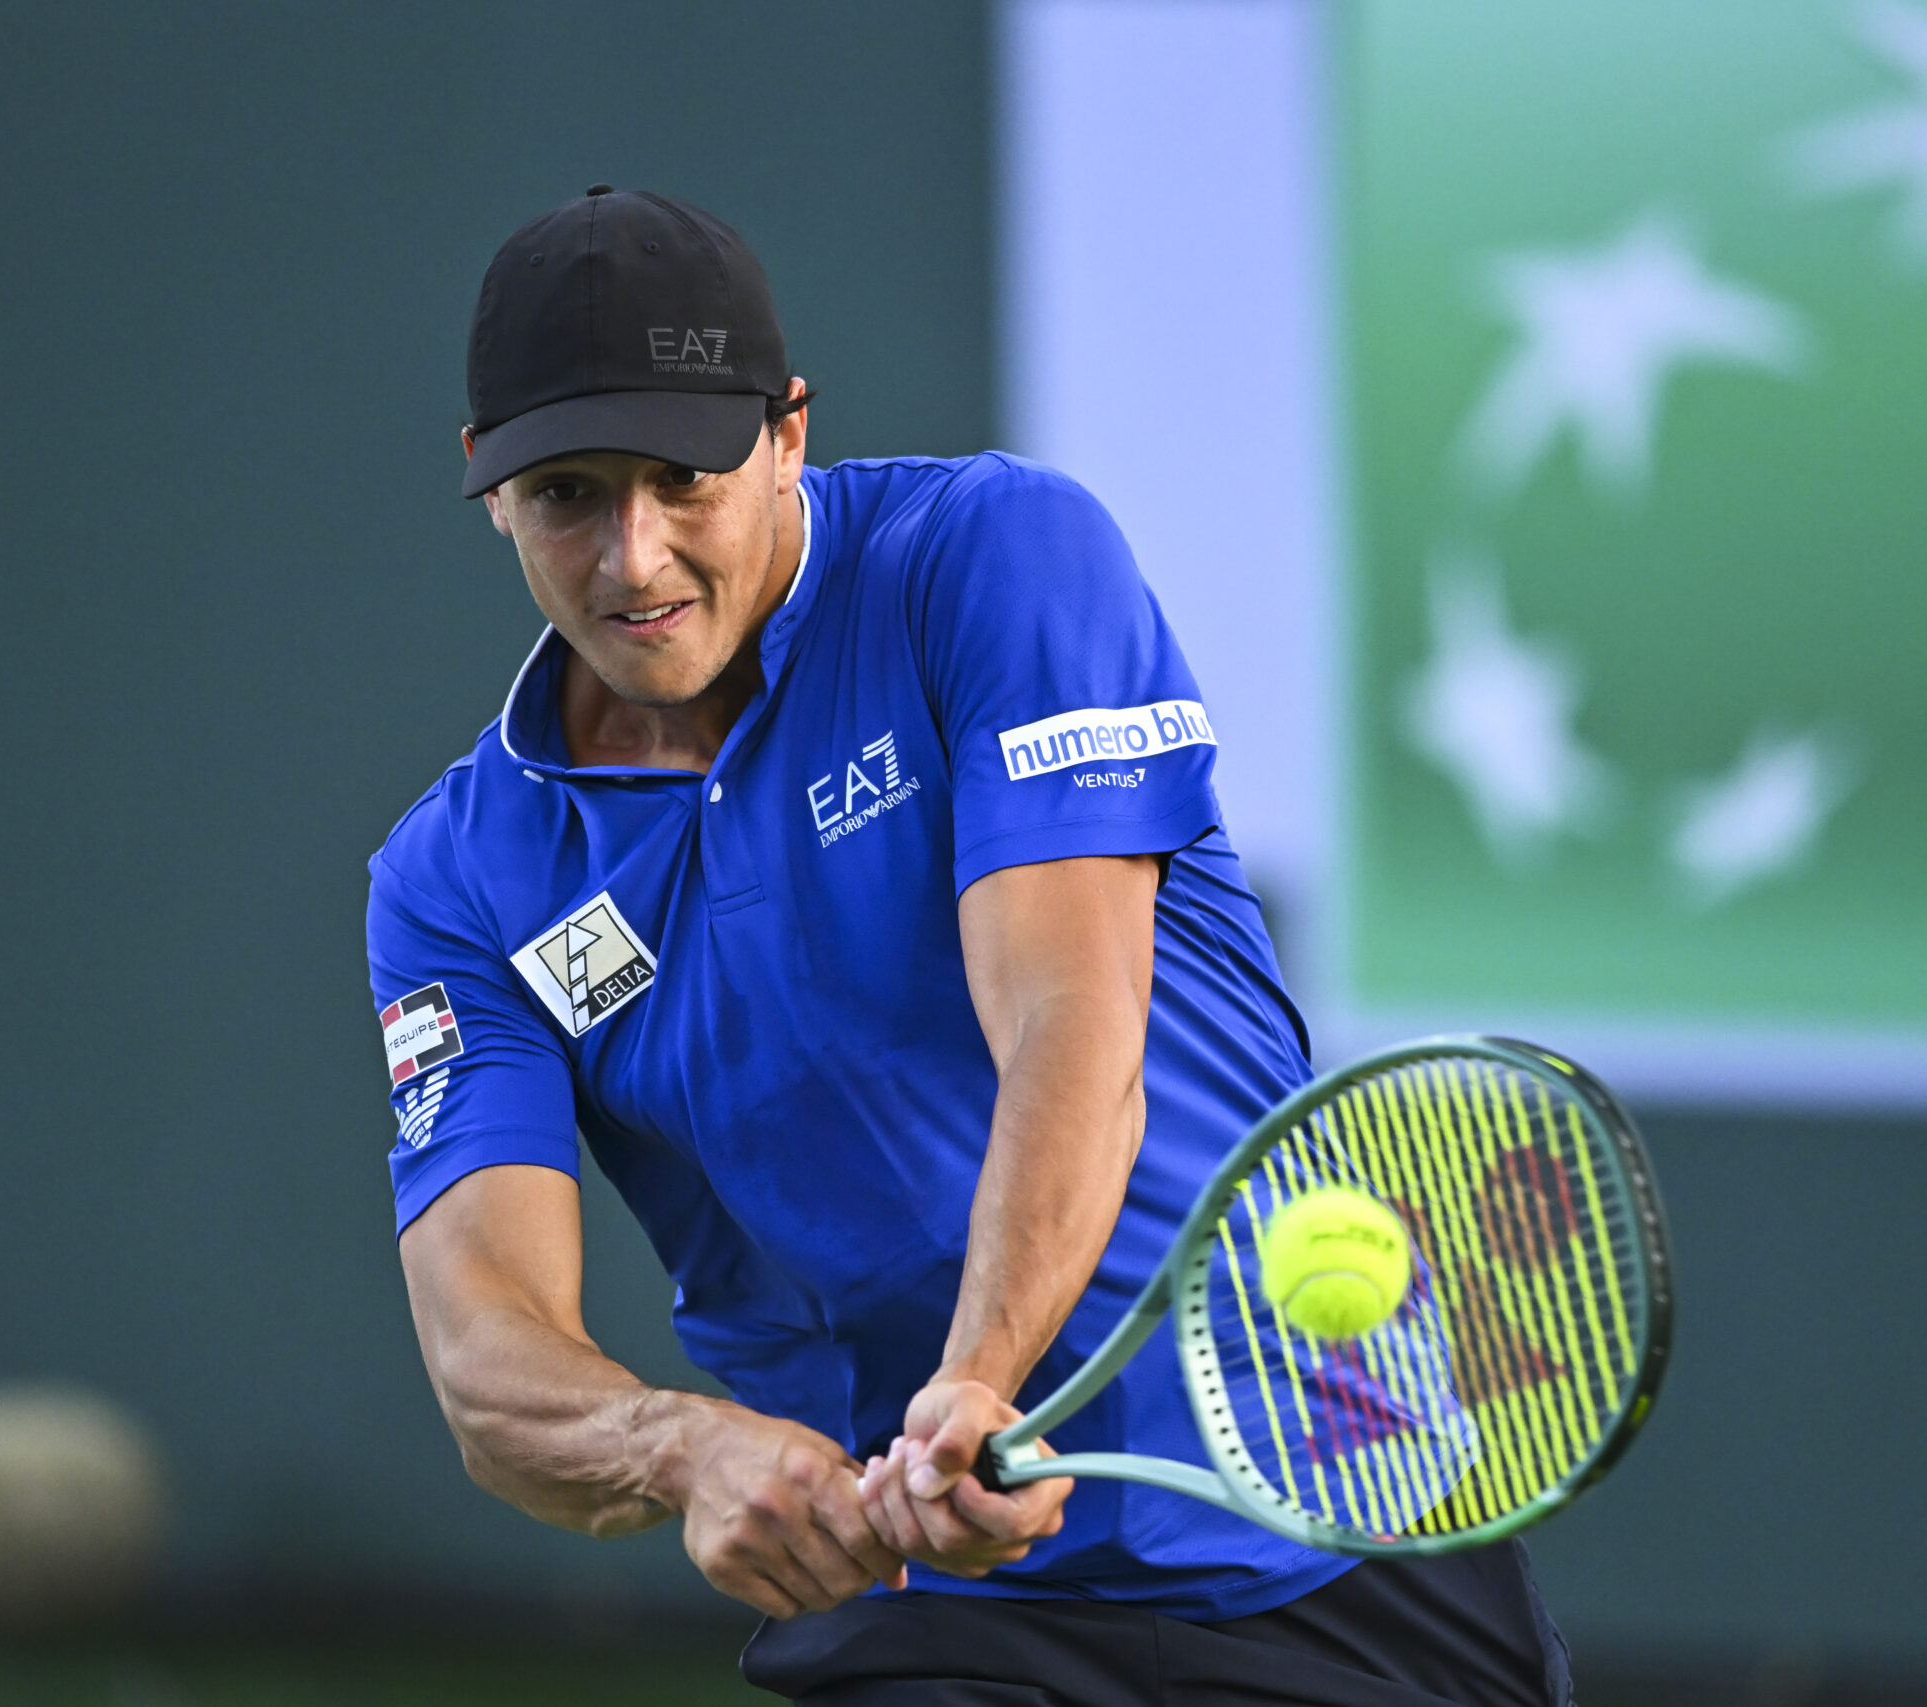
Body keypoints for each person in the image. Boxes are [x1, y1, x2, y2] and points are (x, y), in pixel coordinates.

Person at [369, 185, 1574, 1705]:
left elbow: (1071, 1027)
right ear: (486, 490)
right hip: (950, 1613)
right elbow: (490, 1350)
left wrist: (982, 1381)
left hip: (1331, 1523)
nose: (634, 557)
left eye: (685, 478)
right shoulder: (456, 881)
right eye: (568, 497)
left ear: (788, 433)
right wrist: (682, 1447)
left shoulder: (993, 556)